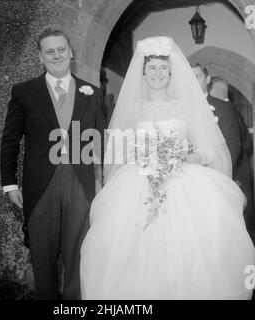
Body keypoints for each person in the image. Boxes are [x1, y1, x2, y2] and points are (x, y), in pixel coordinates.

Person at [80, 37, 255, 299]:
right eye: (152, 68)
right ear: (142, 72)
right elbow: (118, 150)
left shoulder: (186, 108)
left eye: (163, 68)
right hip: (138, 181)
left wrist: (188, 157)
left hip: (184, 181)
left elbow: (210, 148)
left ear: (171, 71)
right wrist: (138, 157)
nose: (158, 73)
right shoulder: (131, 110)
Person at [0, 26, 106, 300]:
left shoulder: (92, 93)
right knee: (43, 261)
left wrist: (103, 181)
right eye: (50, 51)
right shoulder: (24, 92)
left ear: (70, 52)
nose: (56, 55)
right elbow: (10, 140)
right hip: (40, 187)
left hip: (80, 185)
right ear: (40, 57)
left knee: (78, 257)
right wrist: (9, 184)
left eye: (61, 49)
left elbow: (100, 143)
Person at [209, 76, 255, 244]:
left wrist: (229, 172)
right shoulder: (233, 109)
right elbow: (249, 143)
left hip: (235, 173)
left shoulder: (227, 110)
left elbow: (239, 144)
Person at [192, 64, 241, 171]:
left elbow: (233, 144)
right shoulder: (179, 108)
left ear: (207, 79)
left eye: (197, 77)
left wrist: (221, 171)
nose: (192, 81)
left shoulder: (223, 107)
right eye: (189, 77)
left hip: (215, 172)